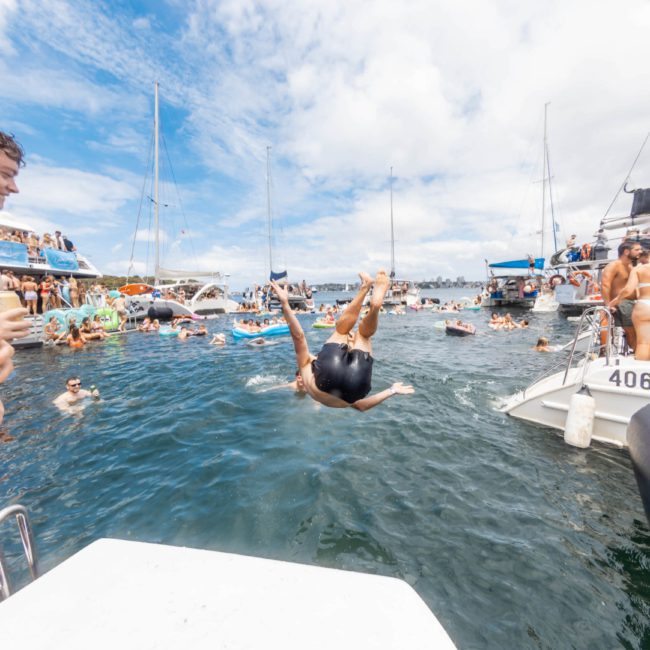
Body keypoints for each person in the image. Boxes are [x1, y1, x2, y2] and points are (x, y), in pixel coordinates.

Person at [271, 270, 414, 411]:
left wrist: (392, 390)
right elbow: (299, 337)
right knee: (342, 331)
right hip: (332, 377)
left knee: (363, 335)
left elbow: (362, 407)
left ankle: (374, 305)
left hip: (354, 388)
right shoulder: (307, 365)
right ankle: (367, 292)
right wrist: (285, 303)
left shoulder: (307, 369)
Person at [601, 241, 643, 351]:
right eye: (637, 249)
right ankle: (638, 354)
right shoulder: (614, 265)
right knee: (631, 332)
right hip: (622, 304)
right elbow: (605, 284)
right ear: (626, 251)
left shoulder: (630, 266)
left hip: (633, 303)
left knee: (638, 331)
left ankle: (637, 353)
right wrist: (608, 305)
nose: (640, 252)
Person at [609, 253, 650, 360]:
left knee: (643, 344)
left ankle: (642, 374)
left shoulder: (638, 269)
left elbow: (628, 290)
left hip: (644, 306)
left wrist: (616, 300)